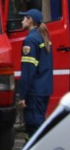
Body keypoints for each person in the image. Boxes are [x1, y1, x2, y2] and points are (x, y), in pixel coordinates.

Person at [18, 8, 53, 139]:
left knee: (34, 126)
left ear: (30, 20)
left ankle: (39, 149)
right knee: (39, 122)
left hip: (34, 92)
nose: (22, 21)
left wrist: (22, 95)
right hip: (44, 89)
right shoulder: (42, 38)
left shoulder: (30, 40)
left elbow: (28, 71)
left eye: (24, 18)